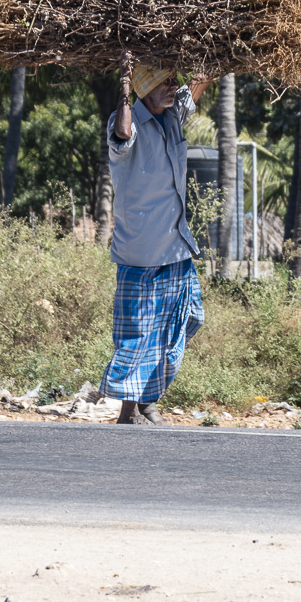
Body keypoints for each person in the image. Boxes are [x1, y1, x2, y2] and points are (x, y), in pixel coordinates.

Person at [101, 52, 214, 424]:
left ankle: (148, 395)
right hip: (142, 252)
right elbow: (122, 131)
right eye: (165, 82)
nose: (173, 87)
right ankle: (129, 411)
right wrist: (123, 85)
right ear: (145, 89)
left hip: (176, 246)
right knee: (138, 336)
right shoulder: (127, 125)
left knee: (188, 317)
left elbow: (199, 82)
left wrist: (221, 52)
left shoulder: (173, 118)